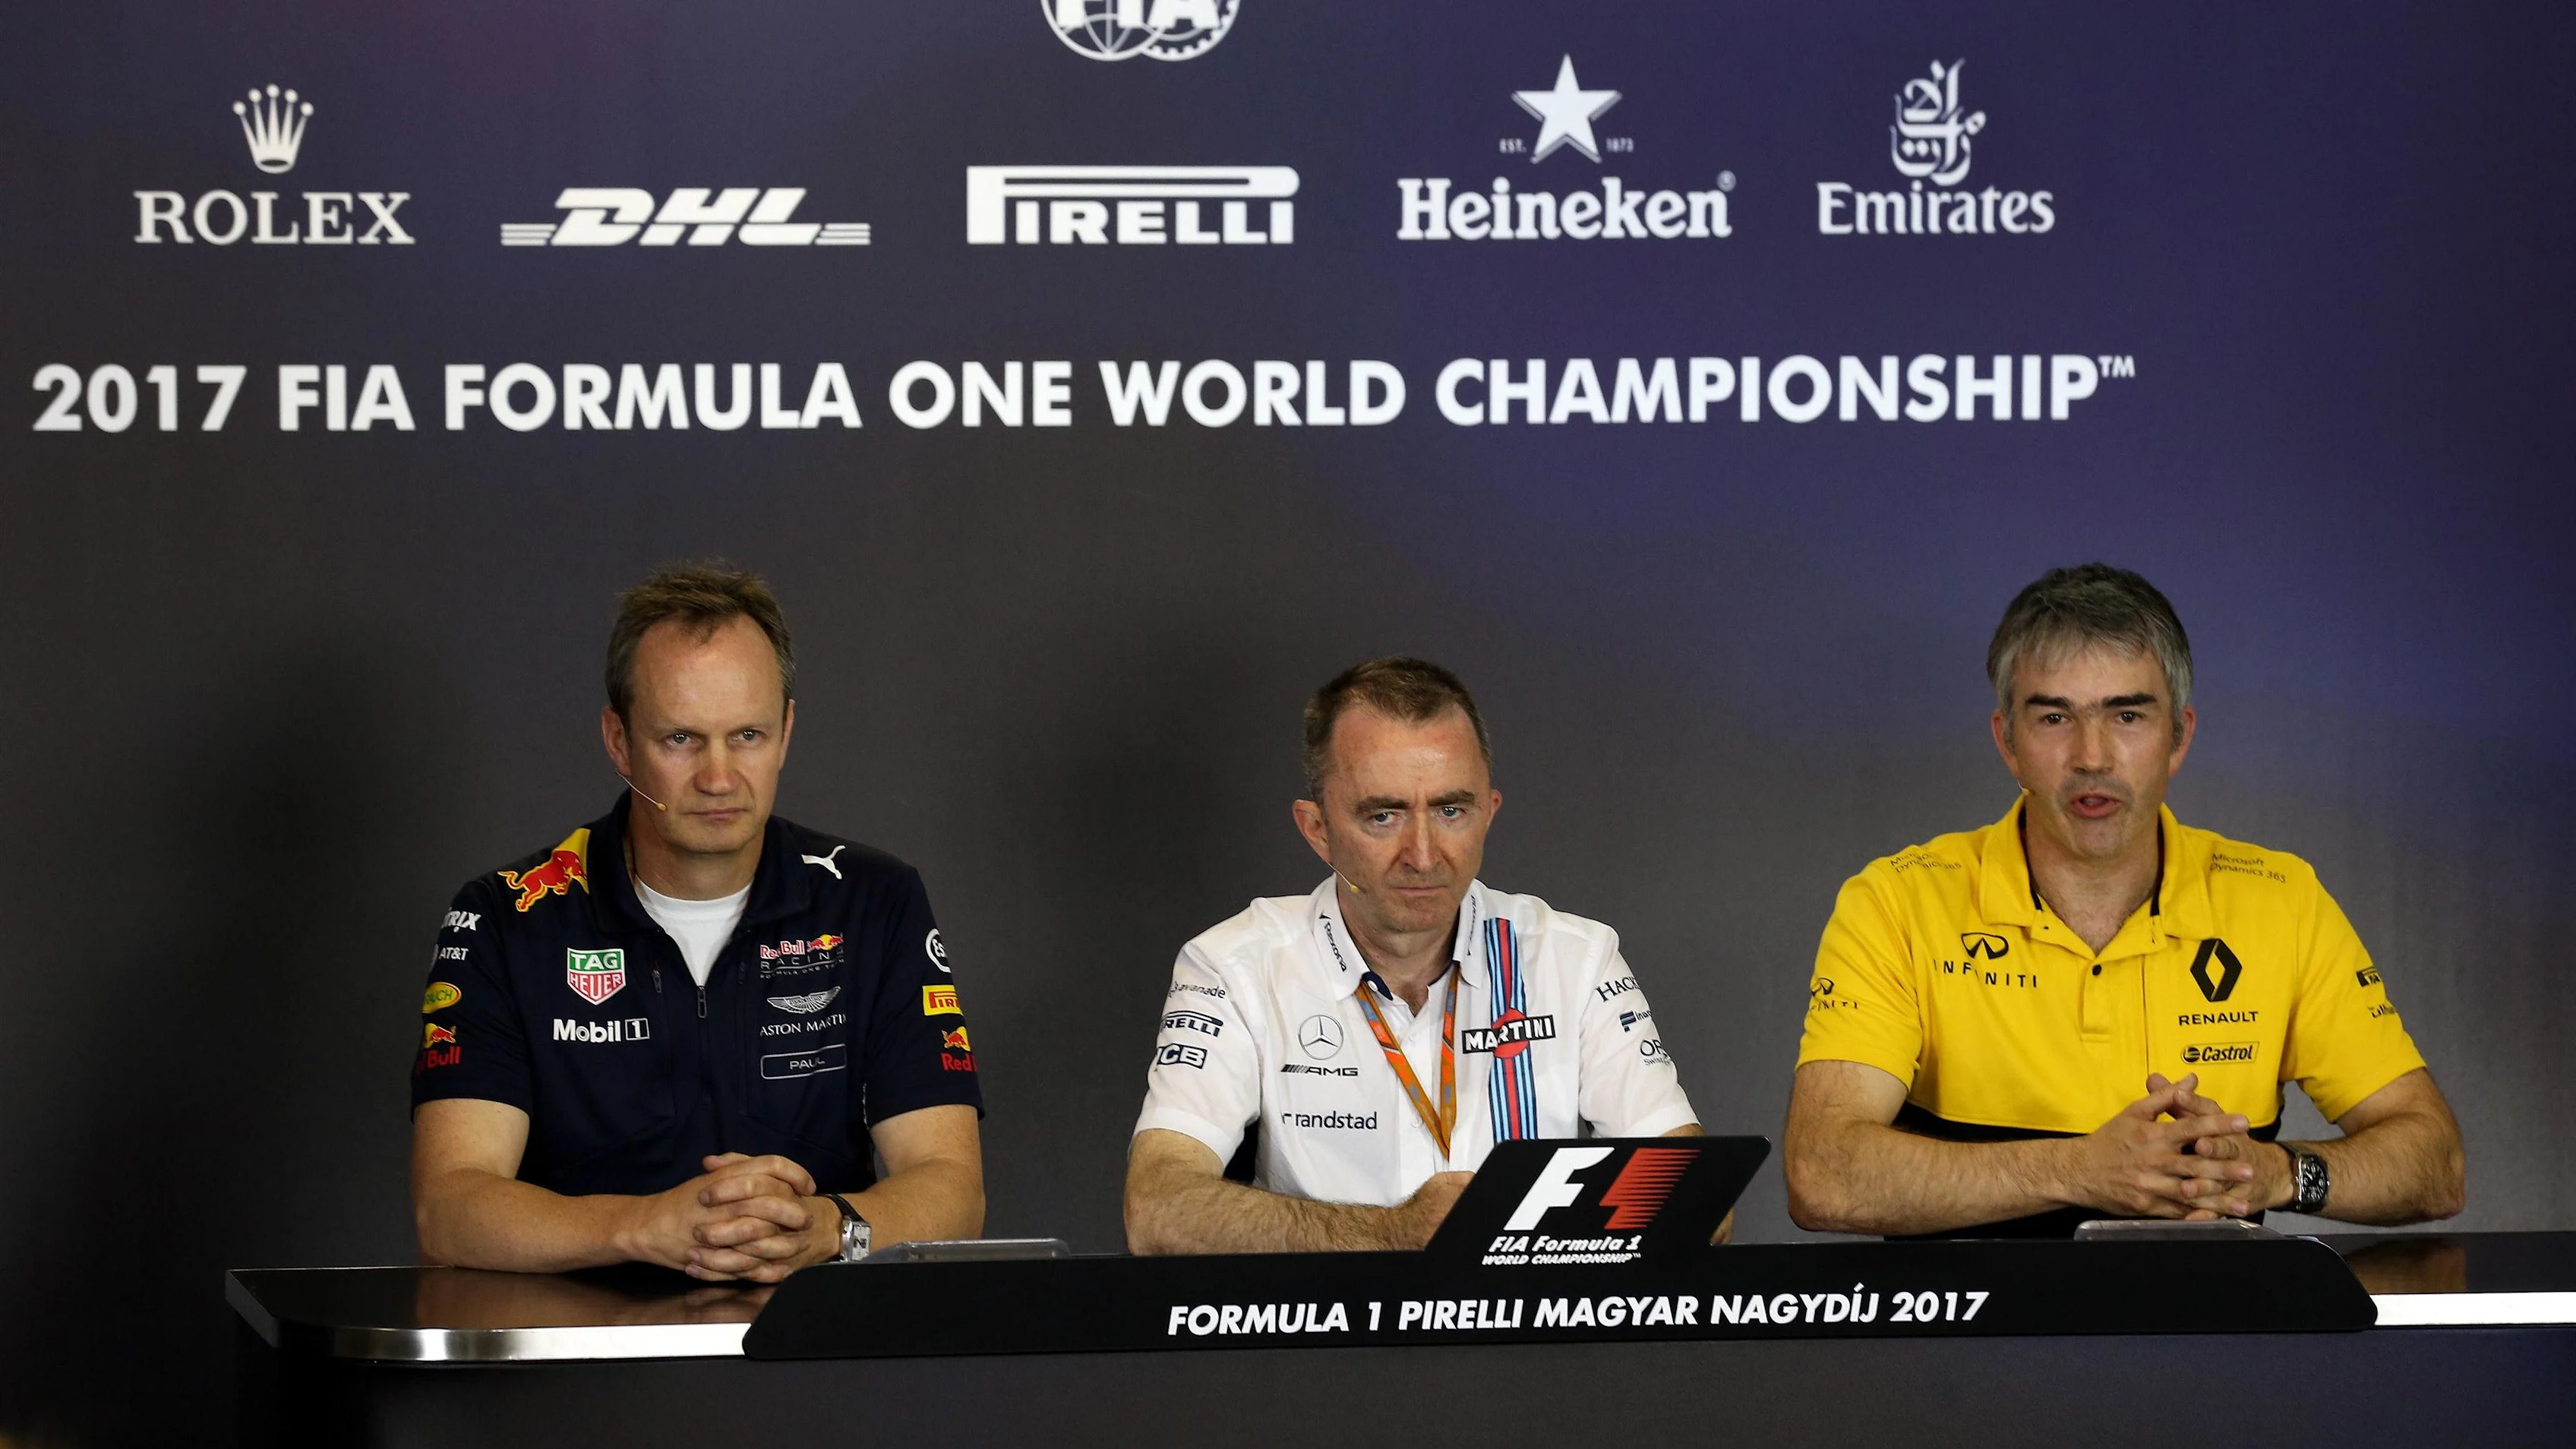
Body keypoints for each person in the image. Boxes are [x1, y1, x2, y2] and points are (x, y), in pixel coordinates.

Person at [1784, 564, 2465, 1237]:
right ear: (2007, 743)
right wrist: (2078, 1171)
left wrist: (2279, 1174)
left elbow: (2437, 1165)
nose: (2093, 756)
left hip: (2209, 1339)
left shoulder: (2281, 902)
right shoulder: (1897, 902)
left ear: (2179, 737)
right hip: (1970, 1343)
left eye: (2128, 715)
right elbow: (1822, 1174)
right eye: (2055, 716)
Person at [412, 564, 984, 1280]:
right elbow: (451, 1208)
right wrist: (640, 1226)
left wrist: (831, 1229)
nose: (719, 777)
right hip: (572, 1366)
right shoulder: (508, 916)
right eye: (681, 739)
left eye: (746, 734)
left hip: (815, 1361)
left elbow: (952, 1188)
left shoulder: (875, 901)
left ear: (787, 732)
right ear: (618, 741)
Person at [1124, 658, 1709, 1254]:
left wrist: (1500, 1243)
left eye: (1451, 811)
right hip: (1328, 1342)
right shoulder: (1235, 967)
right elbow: (1159, 1209)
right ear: (1317, 830)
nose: (1424, 855)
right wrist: (1392, 1234)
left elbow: (1703, 1207)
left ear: (1490, 812)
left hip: (1527, 1339)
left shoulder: (1576, 961)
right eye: (1384, 816)